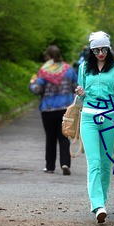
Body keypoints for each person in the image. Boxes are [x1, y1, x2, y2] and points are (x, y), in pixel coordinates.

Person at [75, 31, 114, 223]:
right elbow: (81, 97)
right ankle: (97, 205)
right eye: (96, 50)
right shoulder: (83, 68)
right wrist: (80, 92)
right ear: (91, 50)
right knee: (94, 162)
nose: (100, 53)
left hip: (109, 118)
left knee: (106, 164)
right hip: (88, 117)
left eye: (104, 49)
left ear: (109, 48)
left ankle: (103, 201)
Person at [29, 45, 78, 175]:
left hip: (48, 109)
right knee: (64, 137)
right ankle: (65, 163)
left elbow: (37, 90)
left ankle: (50, 166)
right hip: (65, 109)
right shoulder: (69, 70)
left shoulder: (44, 71)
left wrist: (32, 83)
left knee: (50, 138)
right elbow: (76, 87)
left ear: (48, 57)